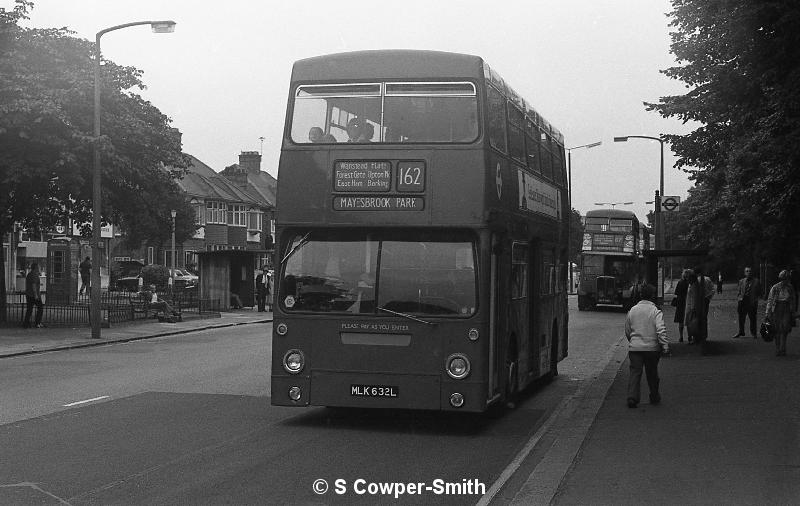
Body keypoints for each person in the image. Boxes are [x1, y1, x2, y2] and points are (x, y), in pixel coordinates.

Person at [625, 283, 670, 408]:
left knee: (635, 372)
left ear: (640, 295)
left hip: (635, 348)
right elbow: (661, 329)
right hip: (652, 348)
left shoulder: (632, 310)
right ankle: (654, 395)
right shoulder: (656, 311)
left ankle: (632, 397)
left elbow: (628, 329)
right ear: (652, 296)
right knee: (652, 373)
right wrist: (665, 346)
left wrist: (633, 341)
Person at [765, 270, 797, 356]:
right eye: (783, 279)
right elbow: (770, 299)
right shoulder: (775, 287)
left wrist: (793, 311)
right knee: (777, 330)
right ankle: (778, 348)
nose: (785, 281)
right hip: (777, 309)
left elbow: (793, 299)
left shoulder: (790, 287)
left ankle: (783, 348)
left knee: (785, 329)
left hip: (786, 308)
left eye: (786, 279)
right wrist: (768, 312)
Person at [733, 266, 761, 338]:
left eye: (750, 271)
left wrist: (755, 300)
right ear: (744, 273)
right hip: (742, 302)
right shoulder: (741, 281)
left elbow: (759, 292)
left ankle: (753, 333)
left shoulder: (756, 281)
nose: (749, 272)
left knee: (752, 318)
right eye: (747, 271)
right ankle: (741, 331)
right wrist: (739, 299)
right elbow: (739, 291)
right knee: (741, 318)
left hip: (751, 301)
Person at [23, 263, 44, 328]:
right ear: (36, 268)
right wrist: (36, 295)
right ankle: (37, 322)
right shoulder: (34, 275)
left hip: (29, 294)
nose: (39, 268)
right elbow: (34, 285)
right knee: (40, 308)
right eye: (39, 267)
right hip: (33, 295)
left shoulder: (29, 274)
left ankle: (26, 323)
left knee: (29, 309)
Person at [672, 269, 690, 342]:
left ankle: (681, 336)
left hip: (680, 303)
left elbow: (676, 293)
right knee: (689, 320)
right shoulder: (690, 283)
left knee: (680, 321)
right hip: (688, 302)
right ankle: (689, 336)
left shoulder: (680, 282)